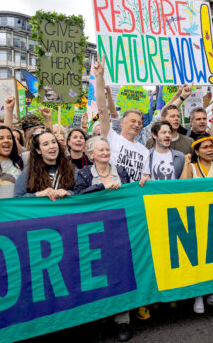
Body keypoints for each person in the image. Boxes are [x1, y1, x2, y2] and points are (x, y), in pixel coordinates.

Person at [74, 136, 132, 341]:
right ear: (90, 155)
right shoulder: (82, 173)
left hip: (119, 231)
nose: (106, 153)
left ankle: (123, 321)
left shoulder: (121, 172)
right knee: (98, 278)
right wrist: (101, 188)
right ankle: (99, 321)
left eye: (107, 150)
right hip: (94, 234)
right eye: (101, 151)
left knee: (121, 276)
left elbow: (132, 196)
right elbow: (79, 197)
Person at [179, 136, 213, 313]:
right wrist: (186, 163)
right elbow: (182, 187)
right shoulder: (192, 167)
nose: (210, 149)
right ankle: (198, 295)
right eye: (205, 147)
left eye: (211, 146)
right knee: (199, 258)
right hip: (196, 219)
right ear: (197, 151)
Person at [94, 55, 150, 185]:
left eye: (140, 123)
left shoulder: (145, 151)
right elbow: (102, 109)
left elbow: (146, 177)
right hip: (113, 194)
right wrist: (99, 78)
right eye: (133, 121)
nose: (137, 125)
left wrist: (147, 179)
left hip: (133, 198)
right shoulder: (111, 137)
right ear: (122, 123)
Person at [14, 130, 74, 200]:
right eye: (45, 144)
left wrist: (69, 193)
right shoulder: (28, 172)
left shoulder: (71, 169)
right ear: (38, 150)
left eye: (54, 142)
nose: (52, 146)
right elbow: (17, 198)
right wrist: (38, 194)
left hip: (64, 210)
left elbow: (82, 193)